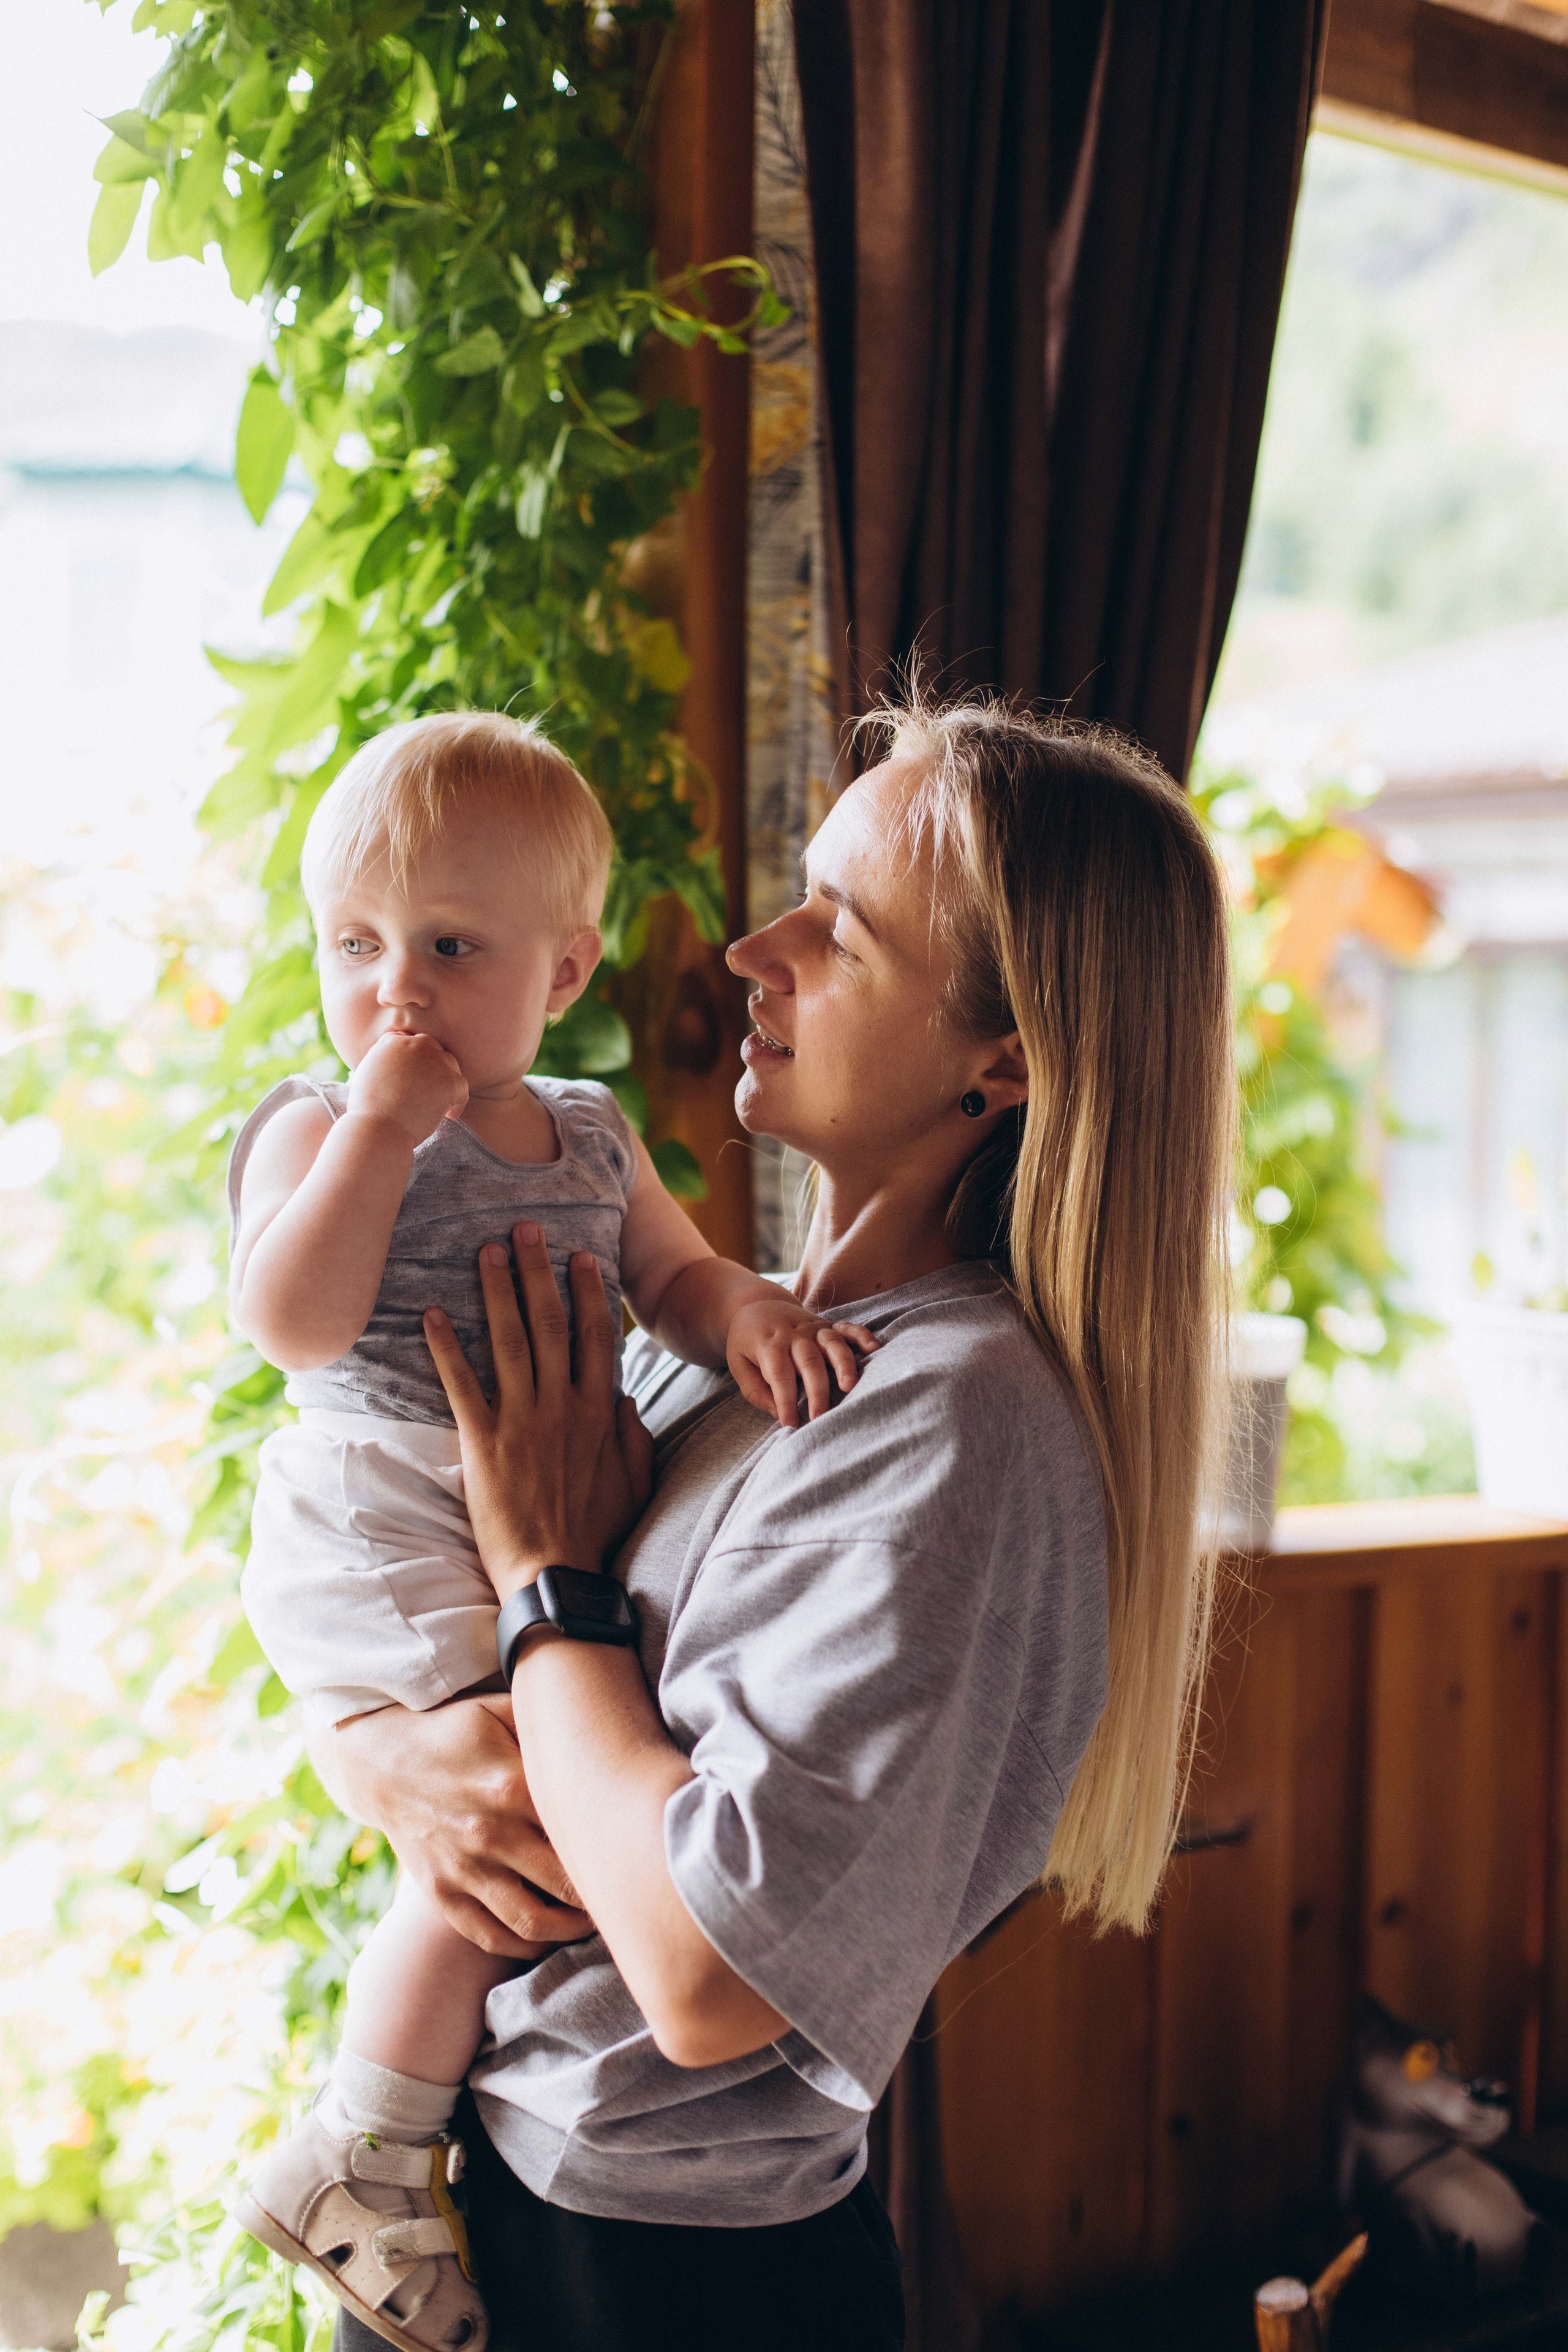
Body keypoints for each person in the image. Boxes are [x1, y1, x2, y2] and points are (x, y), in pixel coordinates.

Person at [303, 698, 1235, 2352]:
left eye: (842, 930)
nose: (752, 948)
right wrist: (377, 1760)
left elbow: (705, 1974)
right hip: (512, 2191)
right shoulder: (753, 1346)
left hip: (669, 2279)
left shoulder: (963, 1420)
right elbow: (486, 1686)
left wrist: (545, 1583)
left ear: (1000, 1061)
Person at [225, 712, 875, 2352]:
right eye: (355, 944)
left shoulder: (588, 1133)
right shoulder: (317, 1123)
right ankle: (367, 2141)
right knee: (515, 1789)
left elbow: (674, 1275)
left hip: (490, 1515)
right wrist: (378, 1133)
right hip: (380, 1501)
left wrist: (751, 1319)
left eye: (448, 947)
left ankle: (379, 2138)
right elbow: (292, 1325)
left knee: (539, 1798)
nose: (394, 992)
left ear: (565, 970)